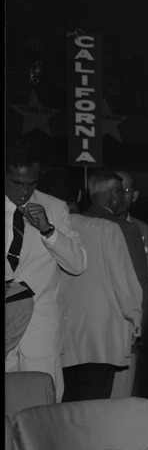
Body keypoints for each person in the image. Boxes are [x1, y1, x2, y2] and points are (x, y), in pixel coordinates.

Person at [40, 168, 143, 402]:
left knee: (66, 410)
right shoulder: (107, 229)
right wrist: (135, 321)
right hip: (100, 340)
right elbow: (125, 286)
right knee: (93, 413)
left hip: (58, 338)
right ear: (78, 195)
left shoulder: (43, 232)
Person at [4, 146, 87, 400]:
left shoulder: (54, 207)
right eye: (17, 183)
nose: (24, 191)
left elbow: (78, 264)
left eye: (31, 184)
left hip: (40, 334)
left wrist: (49, 231)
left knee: (43, 414)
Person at [84, 170, 148, 399]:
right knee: (118, 403)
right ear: (114, 195)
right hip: (118, 335)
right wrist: (144, 330)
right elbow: (138, 287)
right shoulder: (125, 229)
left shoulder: (72, 223)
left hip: (77, 336)